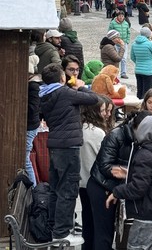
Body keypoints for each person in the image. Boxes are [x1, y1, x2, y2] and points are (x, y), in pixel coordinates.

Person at [39, 62, 99, 246]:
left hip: (56, 145)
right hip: (69, 146)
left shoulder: (45, 94)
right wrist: (82, 87)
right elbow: (93, 99)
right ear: (62, 78)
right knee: (68, 189)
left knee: (56, 188)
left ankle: (54, 227)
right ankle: (62, 232)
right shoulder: (64, 92)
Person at [106, 115, 152, 250]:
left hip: (148, 212)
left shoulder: (145, 154)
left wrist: (117, 192)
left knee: (136, 247)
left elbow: (138, 188)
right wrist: (129, 173)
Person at [87, 111, 137, 250]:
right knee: (103, 233)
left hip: (114, 188)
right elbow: (105, 166)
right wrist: (127, 172)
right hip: (101, 186)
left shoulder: (139, 138)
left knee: (105, 232)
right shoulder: (116, 135)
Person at [79, 96, 107, 250]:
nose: (105, 113)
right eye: (102, 110)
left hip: (82, 182)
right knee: (98, 222)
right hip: (95, 183)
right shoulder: (97, 133)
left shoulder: (80, 127)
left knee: (87, 218)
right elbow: (103, 159)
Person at [131, 27, 152, 99]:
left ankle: (138, 106)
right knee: (147, 92)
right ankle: (144, 108)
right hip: (148, 71)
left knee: (140, 91)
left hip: (138, 70)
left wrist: (139, 62)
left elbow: (132, 57)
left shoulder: (134, 44)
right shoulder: (150, 44)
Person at [26, 54, 41, 187]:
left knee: (25, 159)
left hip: (30, 124)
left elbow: (32, 108)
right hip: (33, 123)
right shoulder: (35, 85)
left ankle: (33, 188)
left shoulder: (33, 86)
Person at [108, 10, 131, 79]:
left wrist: (127, 40)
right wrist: (112, 41)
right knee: (115, 58)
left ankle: (123, 73)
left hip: (123, 43)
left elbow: (128, 32)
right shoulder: (113, 23)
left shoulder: (126, 23)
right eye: (120, 16)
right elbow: (109, 32)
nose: (121, 17)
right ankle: (114, 73)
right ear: (117, 16)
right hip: (115, 43)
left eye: (122, 16)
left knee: (124, 58)